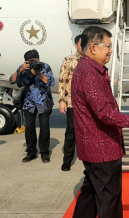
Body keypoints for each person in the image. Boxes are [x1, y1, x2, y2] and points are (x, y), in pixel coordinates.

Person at [71, 26, 129, 218]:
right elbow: (104, 113)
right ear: (93, 48)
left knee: (90, 194)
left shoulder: (88, 69)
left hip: (94, 147)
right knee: (110, 199)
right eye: (107, 46)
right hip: (102, 149)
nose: (110, 50)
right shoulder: (90, 73)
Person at [9, 49, 55, 163]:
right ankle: (31, 152)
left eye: (34, 61)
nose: (33, 63)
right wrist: (20, 69)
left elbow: (51, 82)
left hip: (44, 102)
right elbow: (11, 80)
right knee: (29, 128)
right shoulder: (23, 67)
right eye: (30, 62)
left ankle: (44, 152)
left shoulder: (45, 66)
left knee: (44, 128)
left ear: (38, 59)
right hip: (28, 103)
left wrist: (38, 73)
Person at [58, 34, 83, 171]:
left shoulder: (91, 60)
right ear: (76, 45)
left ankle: (89, 157)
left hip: (87, 103)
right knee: (71, 130)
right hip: (72, 102)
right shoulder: (68, 60)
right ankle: (67, 160)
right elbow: (62, 80)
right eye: (81, 43)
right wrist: (62, 100)